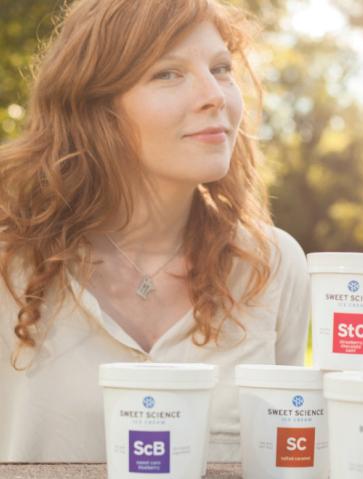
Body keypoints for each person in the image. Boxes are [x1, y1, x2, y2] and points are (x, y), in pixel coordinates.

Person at [0, 0, 310, 464]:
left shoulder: (272, 265)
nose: (215, 95)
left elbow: (289, 461)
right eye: (168, 73)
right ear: (95, 106)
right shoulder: (11, 267)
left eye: (221, 69)